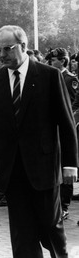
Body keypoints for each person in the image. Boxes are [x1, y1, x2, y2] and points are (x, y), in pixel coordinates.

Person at [0, 25, 78, 258]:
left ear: (23, 45)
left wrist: (70, 165)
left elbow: (66, 122)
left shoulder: (48, 76)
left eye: (7, 49)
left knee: (49, 224)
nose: (2, 55)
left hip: (44, 165)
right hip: (11, 169)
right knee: (22, 233)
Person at [46, 47, 79, 220]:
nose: (51, 62)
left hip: (65, 127)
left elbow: (73, 105)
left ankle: (64, 205)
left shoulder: (70, 79)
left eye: (54, 60)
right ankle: (57, 203)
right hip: (53, 127)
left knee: (66, 164)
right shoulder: (51, 77)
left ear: (63, 61)